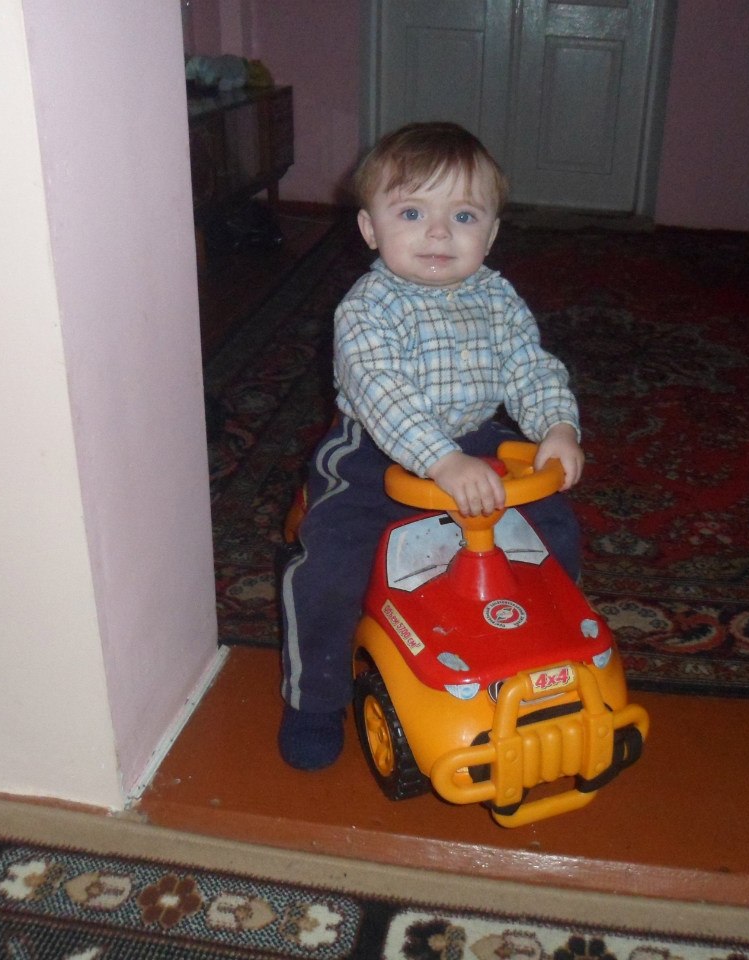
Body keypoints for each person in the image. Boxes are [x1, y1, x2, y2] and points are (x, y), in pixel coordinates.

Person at [277, 122, 585, 771]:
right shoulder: (367, 308)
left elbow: (529, 367)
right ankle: (314, 699)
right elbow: (382, 391)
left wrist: (556, 426)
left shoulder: (496, 297)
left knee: (552, 527)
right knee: (331, 562)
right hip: (374, 449)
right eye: (413, 213)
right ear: (370, 229)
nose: (439, 233)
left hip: (476, 438)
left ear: (490, 234)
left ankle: (544, 657)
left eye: (463, 216)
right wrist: (441, 461)